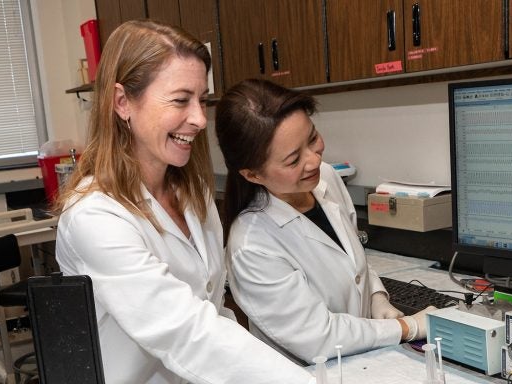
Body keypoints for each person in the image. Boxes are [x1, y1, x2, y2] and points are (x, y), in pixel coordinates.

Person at [54, 20, 315, 383]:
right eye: (181, 100)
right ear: (122, 102)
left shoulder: (192, 194)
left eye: (202, 100)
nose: (198, 118)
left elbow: (213, 311)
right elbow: (184, 331)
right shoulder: (95, 217)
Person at [214, 78, 436, 365]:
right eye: (293, 159)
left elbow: (350, 258)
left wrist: (376, 296)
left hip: (363, 360)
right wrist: (407, 327)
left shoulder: (326, 178)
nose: (314, 160)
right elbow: (320, 337)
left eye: (312, 138)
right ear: (253, 175)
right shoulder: (252, 245)